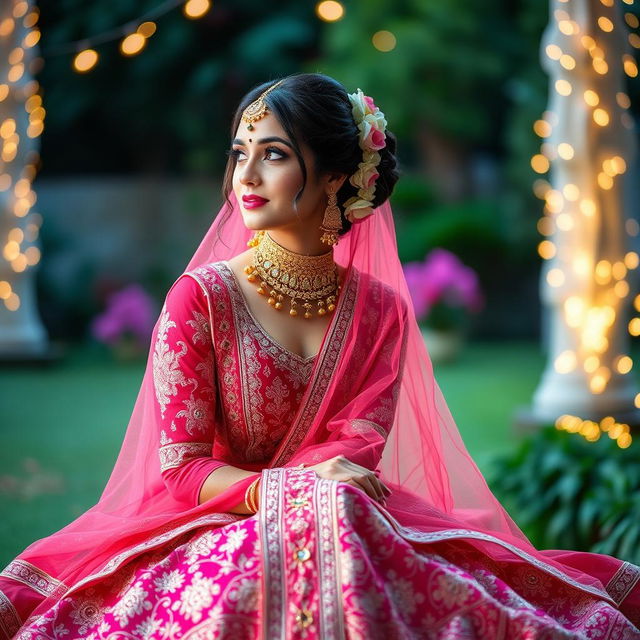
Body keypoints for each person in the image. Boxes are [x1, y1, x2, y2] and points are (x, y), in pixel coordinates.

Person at [1, 73, 638, 639]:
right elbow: (183, 468)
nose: (244, 177)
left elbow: (355, 443)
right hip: (219, 521)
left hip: (345, 515)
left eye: (273, 155)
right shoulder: (201, 300)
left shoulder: (380, 311)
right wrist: (289, 494)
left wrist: (319, 496)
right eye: (239, 153)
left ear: (337, 177)